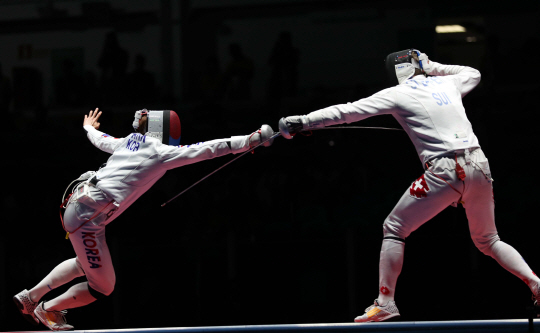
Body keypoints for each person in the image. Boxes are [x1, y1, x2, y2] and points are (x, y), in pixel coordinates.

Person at [278, 49, 540, 322]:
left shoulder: (397, 94)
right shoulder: (446, 83)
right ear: (419, 65)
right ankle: (536, 284)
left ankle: (386, 302)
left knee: (394, 227)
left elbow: (348, 111)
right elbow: (473, 73)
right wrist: (434, 66)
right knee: (489, 239)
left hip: (445, 170)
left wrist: (303, 121)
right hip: (480, 165)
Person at [13, 108, 275, 331]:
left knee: (87, 264)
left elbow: (102, 140)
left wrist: (87, 128)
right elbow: (208, 149)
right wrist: (249, 140)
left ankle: (30, 296)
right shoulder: (160, 152)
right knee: (103, 285)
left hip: (80, 206)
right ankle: (46, 309)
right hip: (88, 217)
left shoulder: (129, 141)